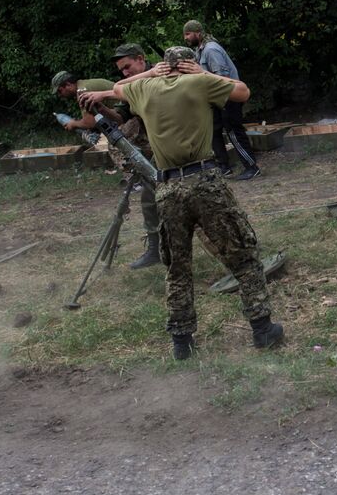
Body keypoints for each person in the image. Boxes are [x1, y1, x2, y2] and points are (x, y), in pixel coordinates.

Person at [80, 46, 284, 360]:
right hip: (205, 181)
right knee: (242, 255)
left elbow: (119, 88)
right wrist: (202, 72)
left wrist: (150, 73)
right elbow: (243, 92)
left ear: (162, 66)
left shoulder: (143, 88)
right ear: (189, 63)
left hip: (167, 187)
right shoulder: (199, 82)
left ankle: (181, 342)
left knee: (177, 267)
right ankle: (262, 329)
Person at [53, 67, 161, 270]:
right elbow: (112, 116)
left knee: (119, 148)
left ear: (68, 85)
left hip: (142, 120)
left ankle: (137, 176)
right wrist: (101, 109)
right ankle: (143, 178)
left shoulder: (82, 91)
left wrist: (73, 124)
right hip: (128, 115)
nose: (61, 95)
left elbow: (89, 121)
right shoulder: (88, 86)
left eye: (60, 90)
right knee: (150, 192)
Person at [183, 19, 260, 181]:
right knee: (214, 130)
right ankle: (224, 167)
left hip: (229, 96)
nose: (186, 38)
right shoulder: (200, 50)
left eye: (188, 34)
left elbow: (222, 79)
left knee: (233, 132)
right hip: (216, 99)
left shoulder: (211, 50)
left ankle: (251, 167)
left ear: (197, 32)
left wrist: (199, 73)